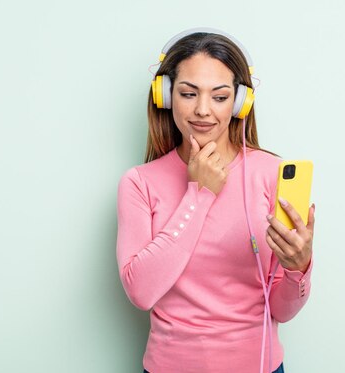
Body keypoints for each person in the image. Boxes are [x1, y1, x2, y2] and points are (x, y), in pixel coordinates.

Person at [116, 28, 316, 373]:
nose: (203, 110)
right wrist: (200, 194)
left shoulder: (271, 174)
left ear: (240, 103)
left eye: (220, 97)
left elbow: (282, 311)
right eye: (188, 94)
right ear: (165, 95)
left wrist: (298, 269)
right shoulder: (139, 183)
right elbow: (141, 292)